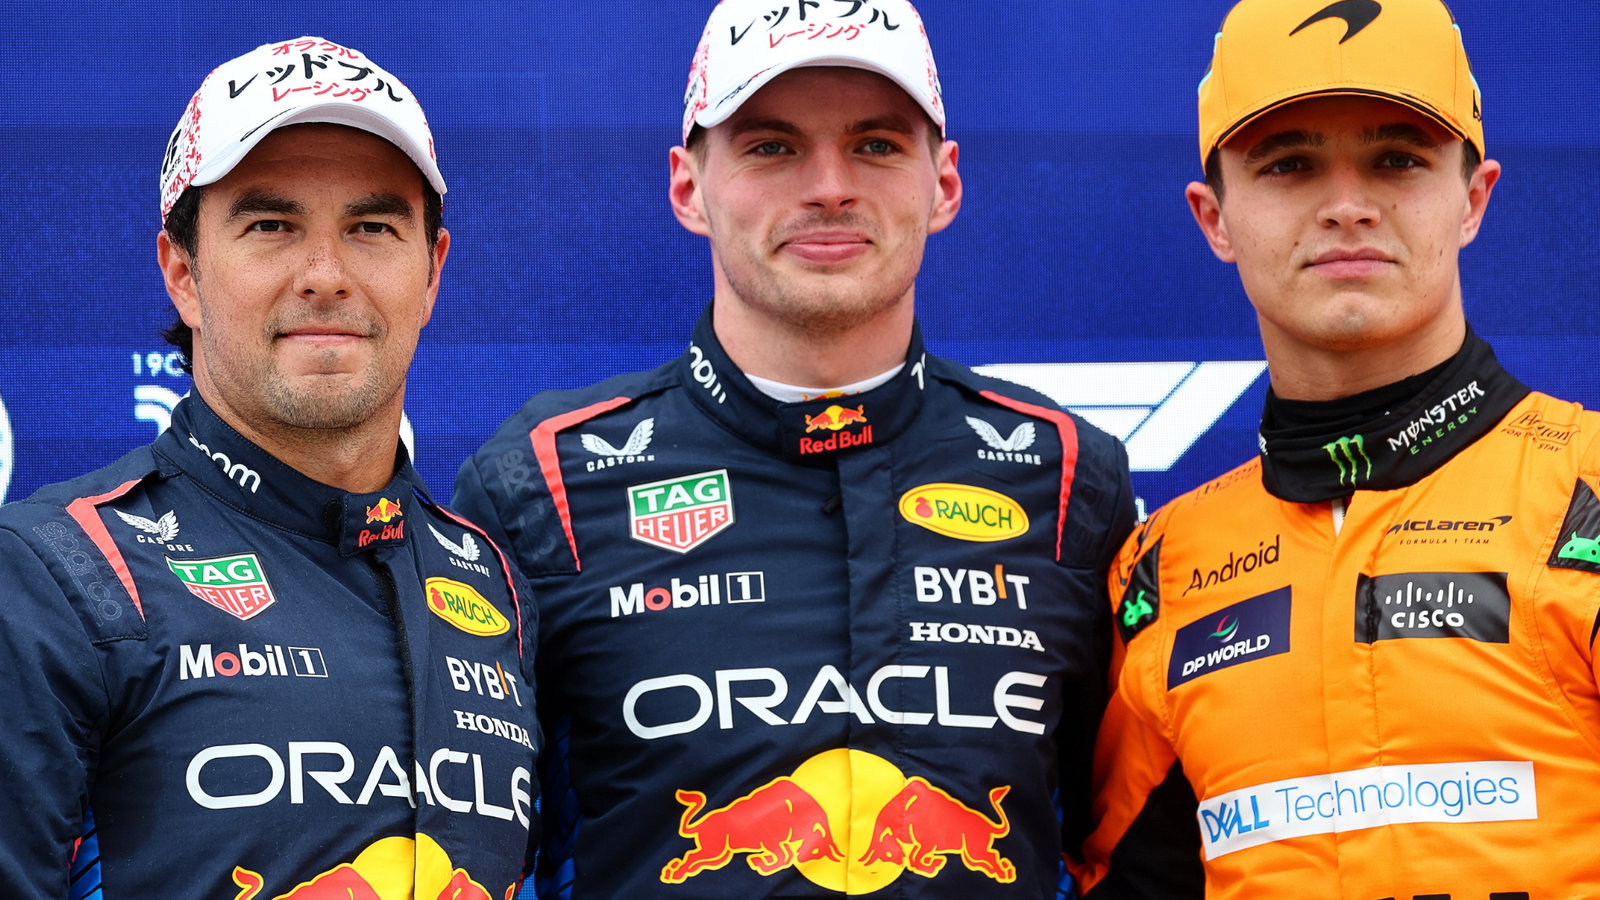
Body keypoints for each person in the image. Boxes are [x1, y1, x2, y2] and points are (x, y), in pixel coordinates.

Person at [452, 0, 1136, 896]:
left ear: (943, 183)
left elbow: (1128, 848)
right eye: (772, 147)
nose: (829, 187)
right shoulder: (538, 484)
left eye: (876, 145)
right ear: (688, 188)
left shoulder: (1071, 476)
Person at [1073, 0, 1600, 896]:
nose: (1347, 207)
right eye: (1290, 165)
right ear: (1214, 218)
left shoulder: (1585, 485)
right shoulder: (1161, 568)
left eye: (1397, 160)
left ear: (1473, 199)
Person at [0, 37, 537, 900]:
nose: (326, 276)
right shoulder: (48, 574)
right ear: (183, 272)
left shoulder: (495, 581)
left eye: (371, 227)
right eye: (271, 226)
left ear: (433, 272)